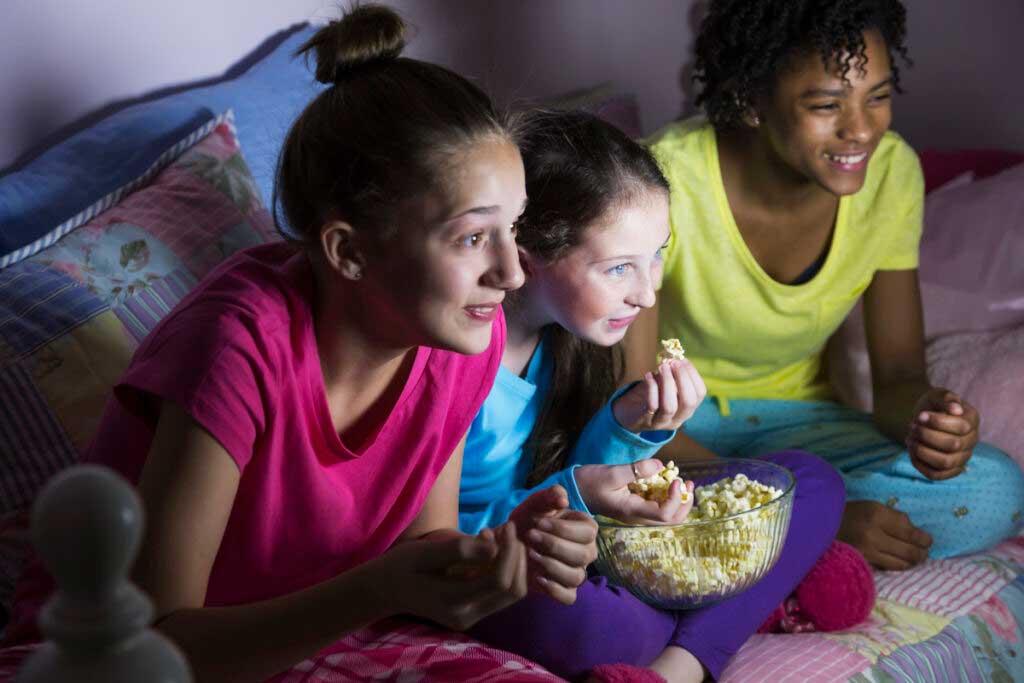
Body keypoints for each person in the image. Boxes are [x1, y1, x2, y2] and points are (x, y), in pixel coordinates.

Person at [3, 6, 594, 682]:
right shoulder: (236, 343)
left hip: (327, 635)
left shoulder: (464, 338)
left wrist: (497, 554)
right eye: (470, 237)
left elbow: (425, 540)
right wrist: (379, 588)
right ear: (348, 251)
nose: (513, 272)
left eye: (512, 228)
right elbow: (158, 642)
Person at [630, 0, 1024, 571]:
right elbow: (633, 418)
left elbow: (897, 382)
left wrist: (929, 421)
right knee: (616, 492)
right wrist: (816, 515)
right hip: (672, 435)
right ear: (749, 99)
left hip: (800, 427)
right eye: (826, 104)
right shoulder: (660, 182)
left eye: (879, 97)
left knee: (995, 489)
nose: (861, 129)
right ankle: (795, 538)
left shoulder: (891, 175)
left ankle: (762, 544)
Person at [458, 109, 847, 683]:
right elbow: (435, 539)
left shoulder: (565, 340)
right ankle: (731, 614)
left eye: (658, 254)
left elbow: (591, 483)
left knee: (809, 480)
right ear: (529, 252)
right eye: (619, 268)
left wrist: (627, 424)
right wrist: (578, 493)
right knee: (608, 629)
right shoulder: (456, 356)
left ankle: (685, 652)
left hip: (585, 540)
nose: (648, 291)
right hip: (499, 566)